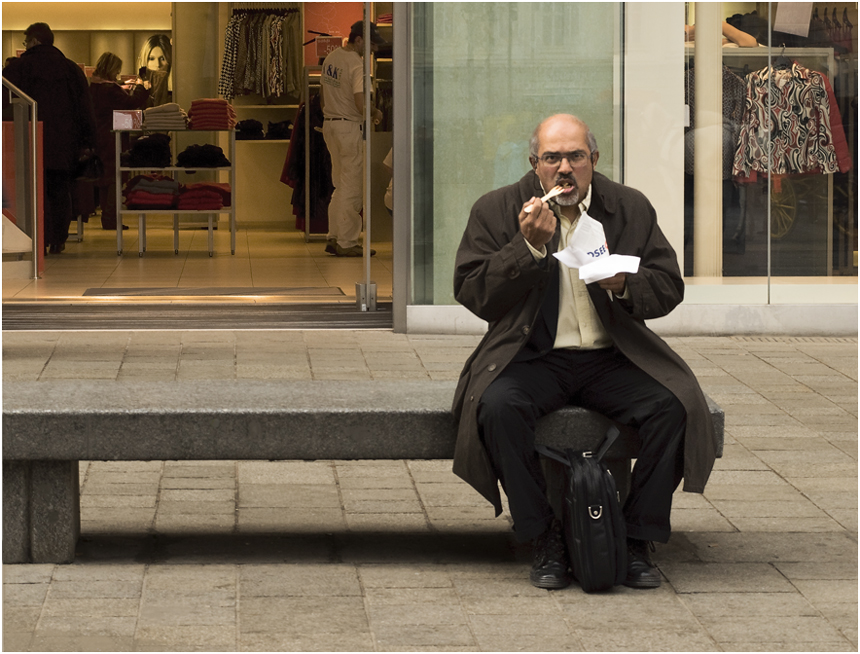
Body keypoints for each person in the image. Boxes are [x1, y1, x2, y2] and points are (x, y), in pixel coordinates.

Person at [452, 114, 718, 591]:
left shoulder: (628, 208)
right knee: (496, 406)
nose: (564, 169)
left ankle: (637, 536)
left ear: (594, 160)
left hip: (612, 357)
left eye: (576, 156)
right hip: (533, 357)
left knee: (675, 405)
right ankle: (542, 535)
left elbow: (668, 286)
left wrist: (624, 284)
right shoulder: (497, 210)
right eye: (552, 158)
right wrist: (527, 249)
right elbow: (472, 292)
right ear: (535, 164)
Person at [2, 22, 96, 254]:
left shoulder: (17, 69)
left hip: (26, 141)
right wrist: (87, 142)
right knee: (59, 190)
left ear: (34, 41)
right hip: (65, 143)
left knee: (31, 192)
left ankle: (36, 240)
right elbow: (85, 107)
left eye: (26, 42)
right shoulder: (70, 69)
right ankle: (58, 239)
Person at [319, 21, 385, 257]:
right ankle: (347, 242)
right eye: (371, 45)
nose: (373, 51)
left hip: (330, 125)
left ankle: (334, 236)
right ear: (359, 40)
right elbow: (360, 104)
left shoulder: (332, 58)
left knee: (339, 185)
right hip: (348, 128)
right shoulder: (357, 65)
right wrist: (376, 112)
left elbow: (322, 97)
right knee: (353, 187)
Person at [88, 52, 150, 230]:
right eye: (117, 69)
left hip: (99, 136)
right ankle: (110, 219)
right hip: (112, 138)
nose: (118, 72)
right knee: (116, 177)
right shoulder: (110, 89)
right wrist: (142, 86)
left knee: (104, 178)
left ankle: (106, 218)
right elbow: (132, 103)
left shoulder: (94, 87)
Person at [137, 34, 171, 106]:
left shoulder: (175, 91)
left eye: (162, 59)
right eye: (151, 59)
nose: (158, 64)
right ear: (145, 60)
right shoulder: (137, 90)